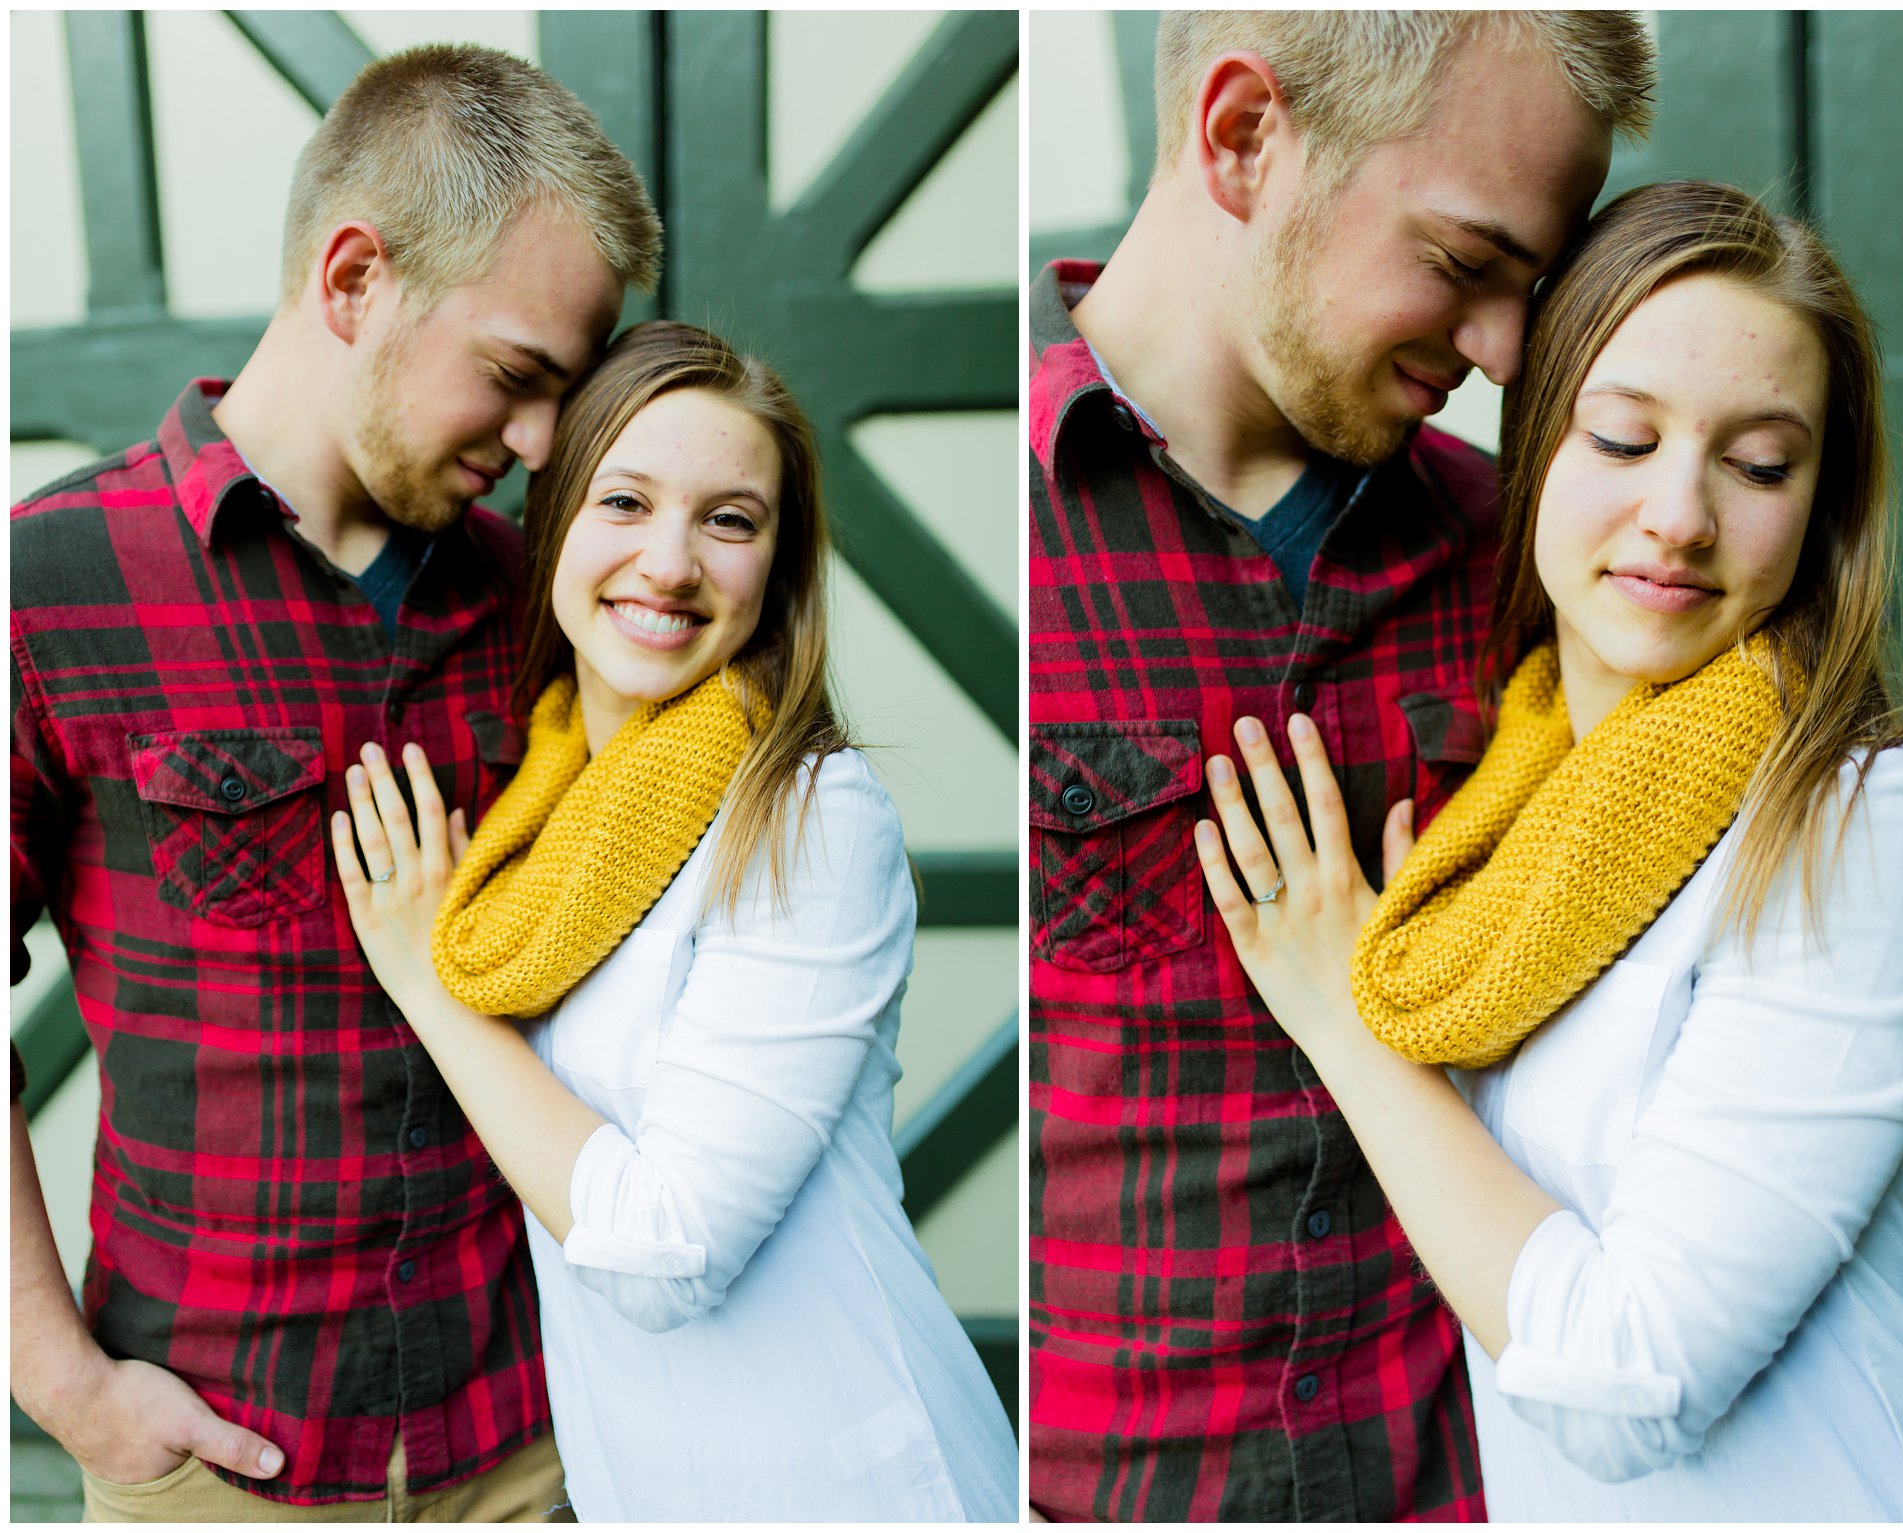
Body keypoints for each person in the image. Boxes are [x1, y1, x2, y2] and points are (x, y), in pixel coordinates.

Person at [1195, 180, 1903, 1521]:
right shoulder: (1505, 819)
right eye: (1624, 438)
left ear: (1818, 507)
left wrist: (1343, 1018)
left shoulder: (1855, 822)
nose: (1681, 515)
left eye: (1759, 465)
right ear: (1532, 451)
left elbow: (1624, 1377)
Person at [10, 45, 661, 1520]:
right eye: (516, 376)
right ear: (354, 277)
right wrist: (62, 1384)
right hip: (218, 1465)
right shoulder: (49, 582)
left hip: (539, 1442)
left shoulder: (544, 601)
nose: (545, 447)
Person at [1028, 12, 1653, 1520]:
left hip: (1493, 1481)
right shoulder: (1016, 537)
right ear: (1245, 138)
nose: (1510, 353)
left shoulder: (1545, 563)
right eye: (1462, 262)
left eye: (1535, 288)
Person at [329, 320, 1019, 1522]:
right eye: (626, 501)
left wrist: (428, 985)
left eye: (728, 520)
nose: (670, 561)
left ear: (777, 568)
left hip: (840, 1483)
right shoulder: (542, 821)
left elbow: (665, 1247)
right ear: (550, 525)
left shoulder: (807, 815)